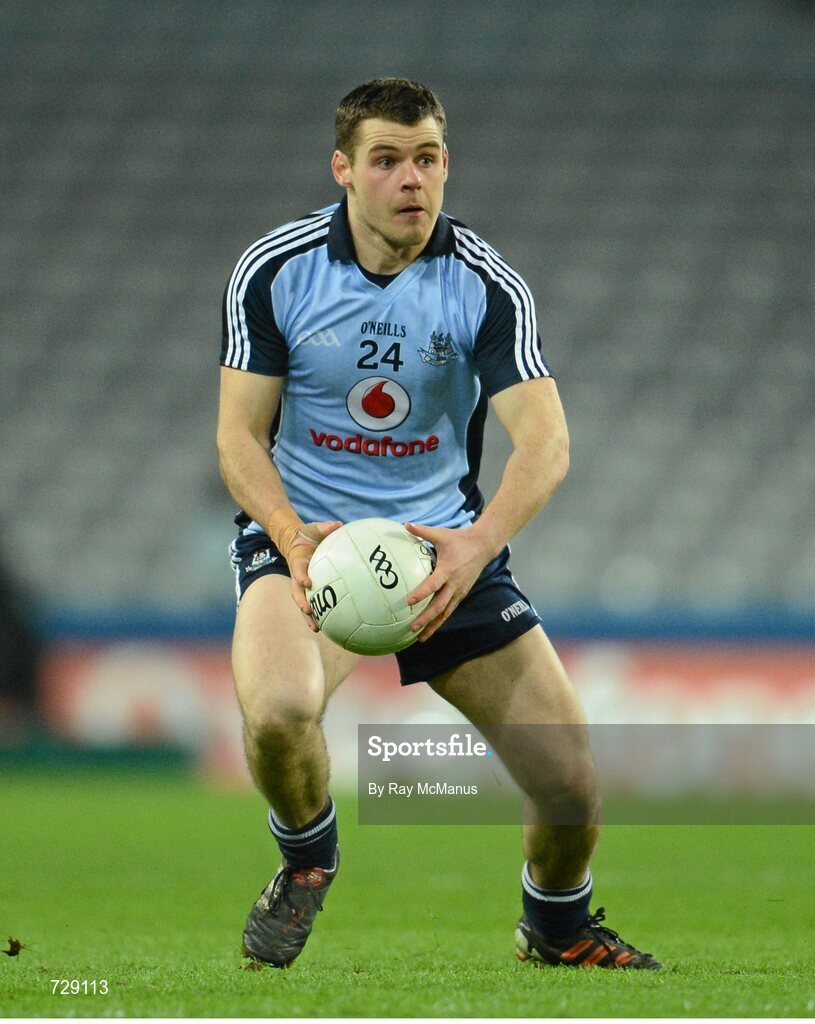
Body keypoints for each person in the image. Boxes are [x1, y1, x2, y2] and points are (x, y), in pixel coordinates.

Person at [217, 78, 661, 971]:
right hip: (309, 542)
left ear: (446, 165)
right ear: (344, 169)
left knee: (570, 787)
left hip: (439, 550)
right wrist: (290, 535)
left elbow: (546, 442)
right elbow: (236, 435)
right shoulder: (275, 270)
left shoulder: (484, 285)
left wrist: (476, 543)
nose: (410, 179)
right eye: (386, 160)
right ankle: (308, 864)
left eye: (426, 159)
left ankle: (557, 927)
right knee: (275, 712)